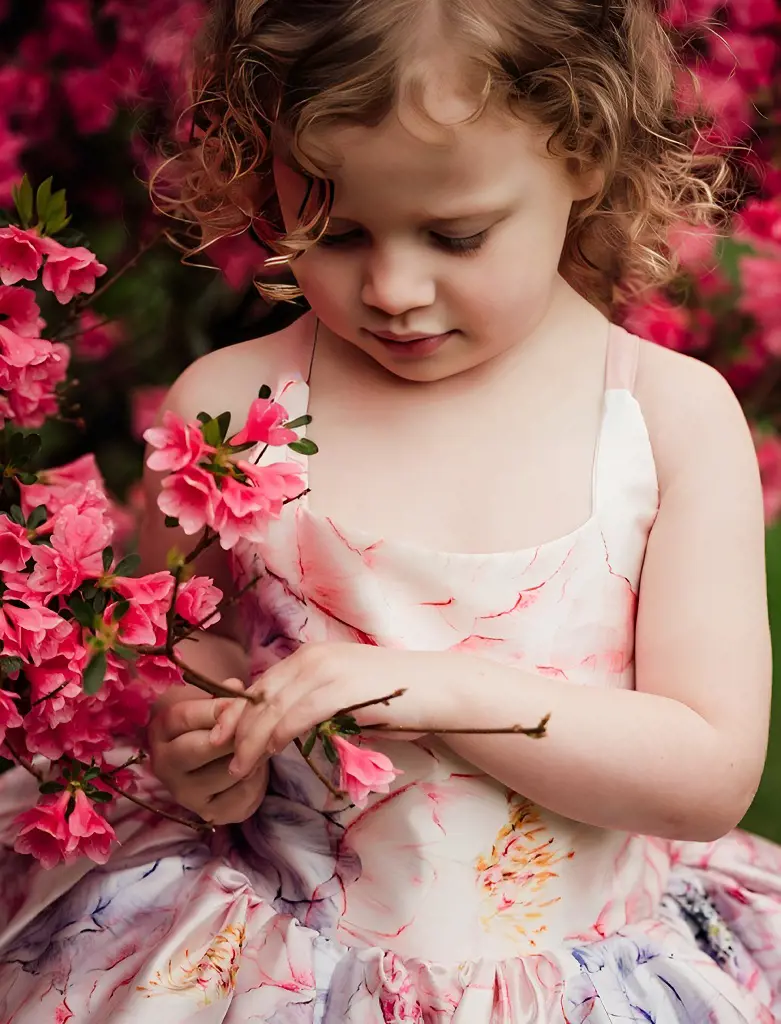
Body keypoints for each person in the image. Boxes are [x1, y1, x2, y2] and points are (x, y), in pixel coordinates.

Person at [0, 0, 779, 1020]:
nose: (393, 287)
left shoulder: (664, 419)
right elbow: (182, 650)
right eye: (333, 231)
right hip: (272, 954)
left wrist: (435, 689)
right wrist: (193, 734)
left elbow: (706, 770)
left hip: (573, 971)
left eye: (454, 234)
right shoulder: (234, 413)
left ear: (582, 152)